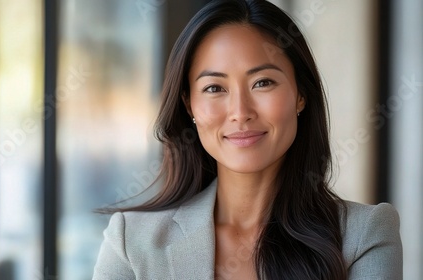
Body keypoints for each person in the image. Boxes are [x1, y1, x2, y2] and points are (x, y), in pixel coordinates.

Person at [93, 0, 403, 279]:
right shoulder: (131, 241)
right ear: (189, 105)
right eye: (215, 88)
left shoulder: (364, 235)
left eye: (263, 82)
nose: (240, 112)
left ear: (300, 95)